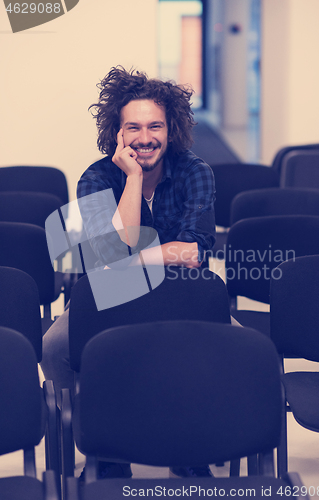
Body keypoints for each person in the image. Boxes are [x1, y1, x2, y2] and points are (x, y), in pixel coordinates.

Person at [41, 66, 216, 479]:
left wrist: (126, 261)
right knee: (53, 347)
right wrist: (133, 179)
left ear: (171, 129)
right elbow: (108, 256)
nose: (144, 138)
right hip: (109, 302)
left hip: (182, 298)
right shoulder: (97, 177)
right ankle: (104, 451)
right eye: (132, 127)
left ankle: (193, 449)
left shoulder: (195, 172)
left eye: (155, 125)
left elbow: (192, 253)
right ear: (116, 134)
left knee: (242, 345)